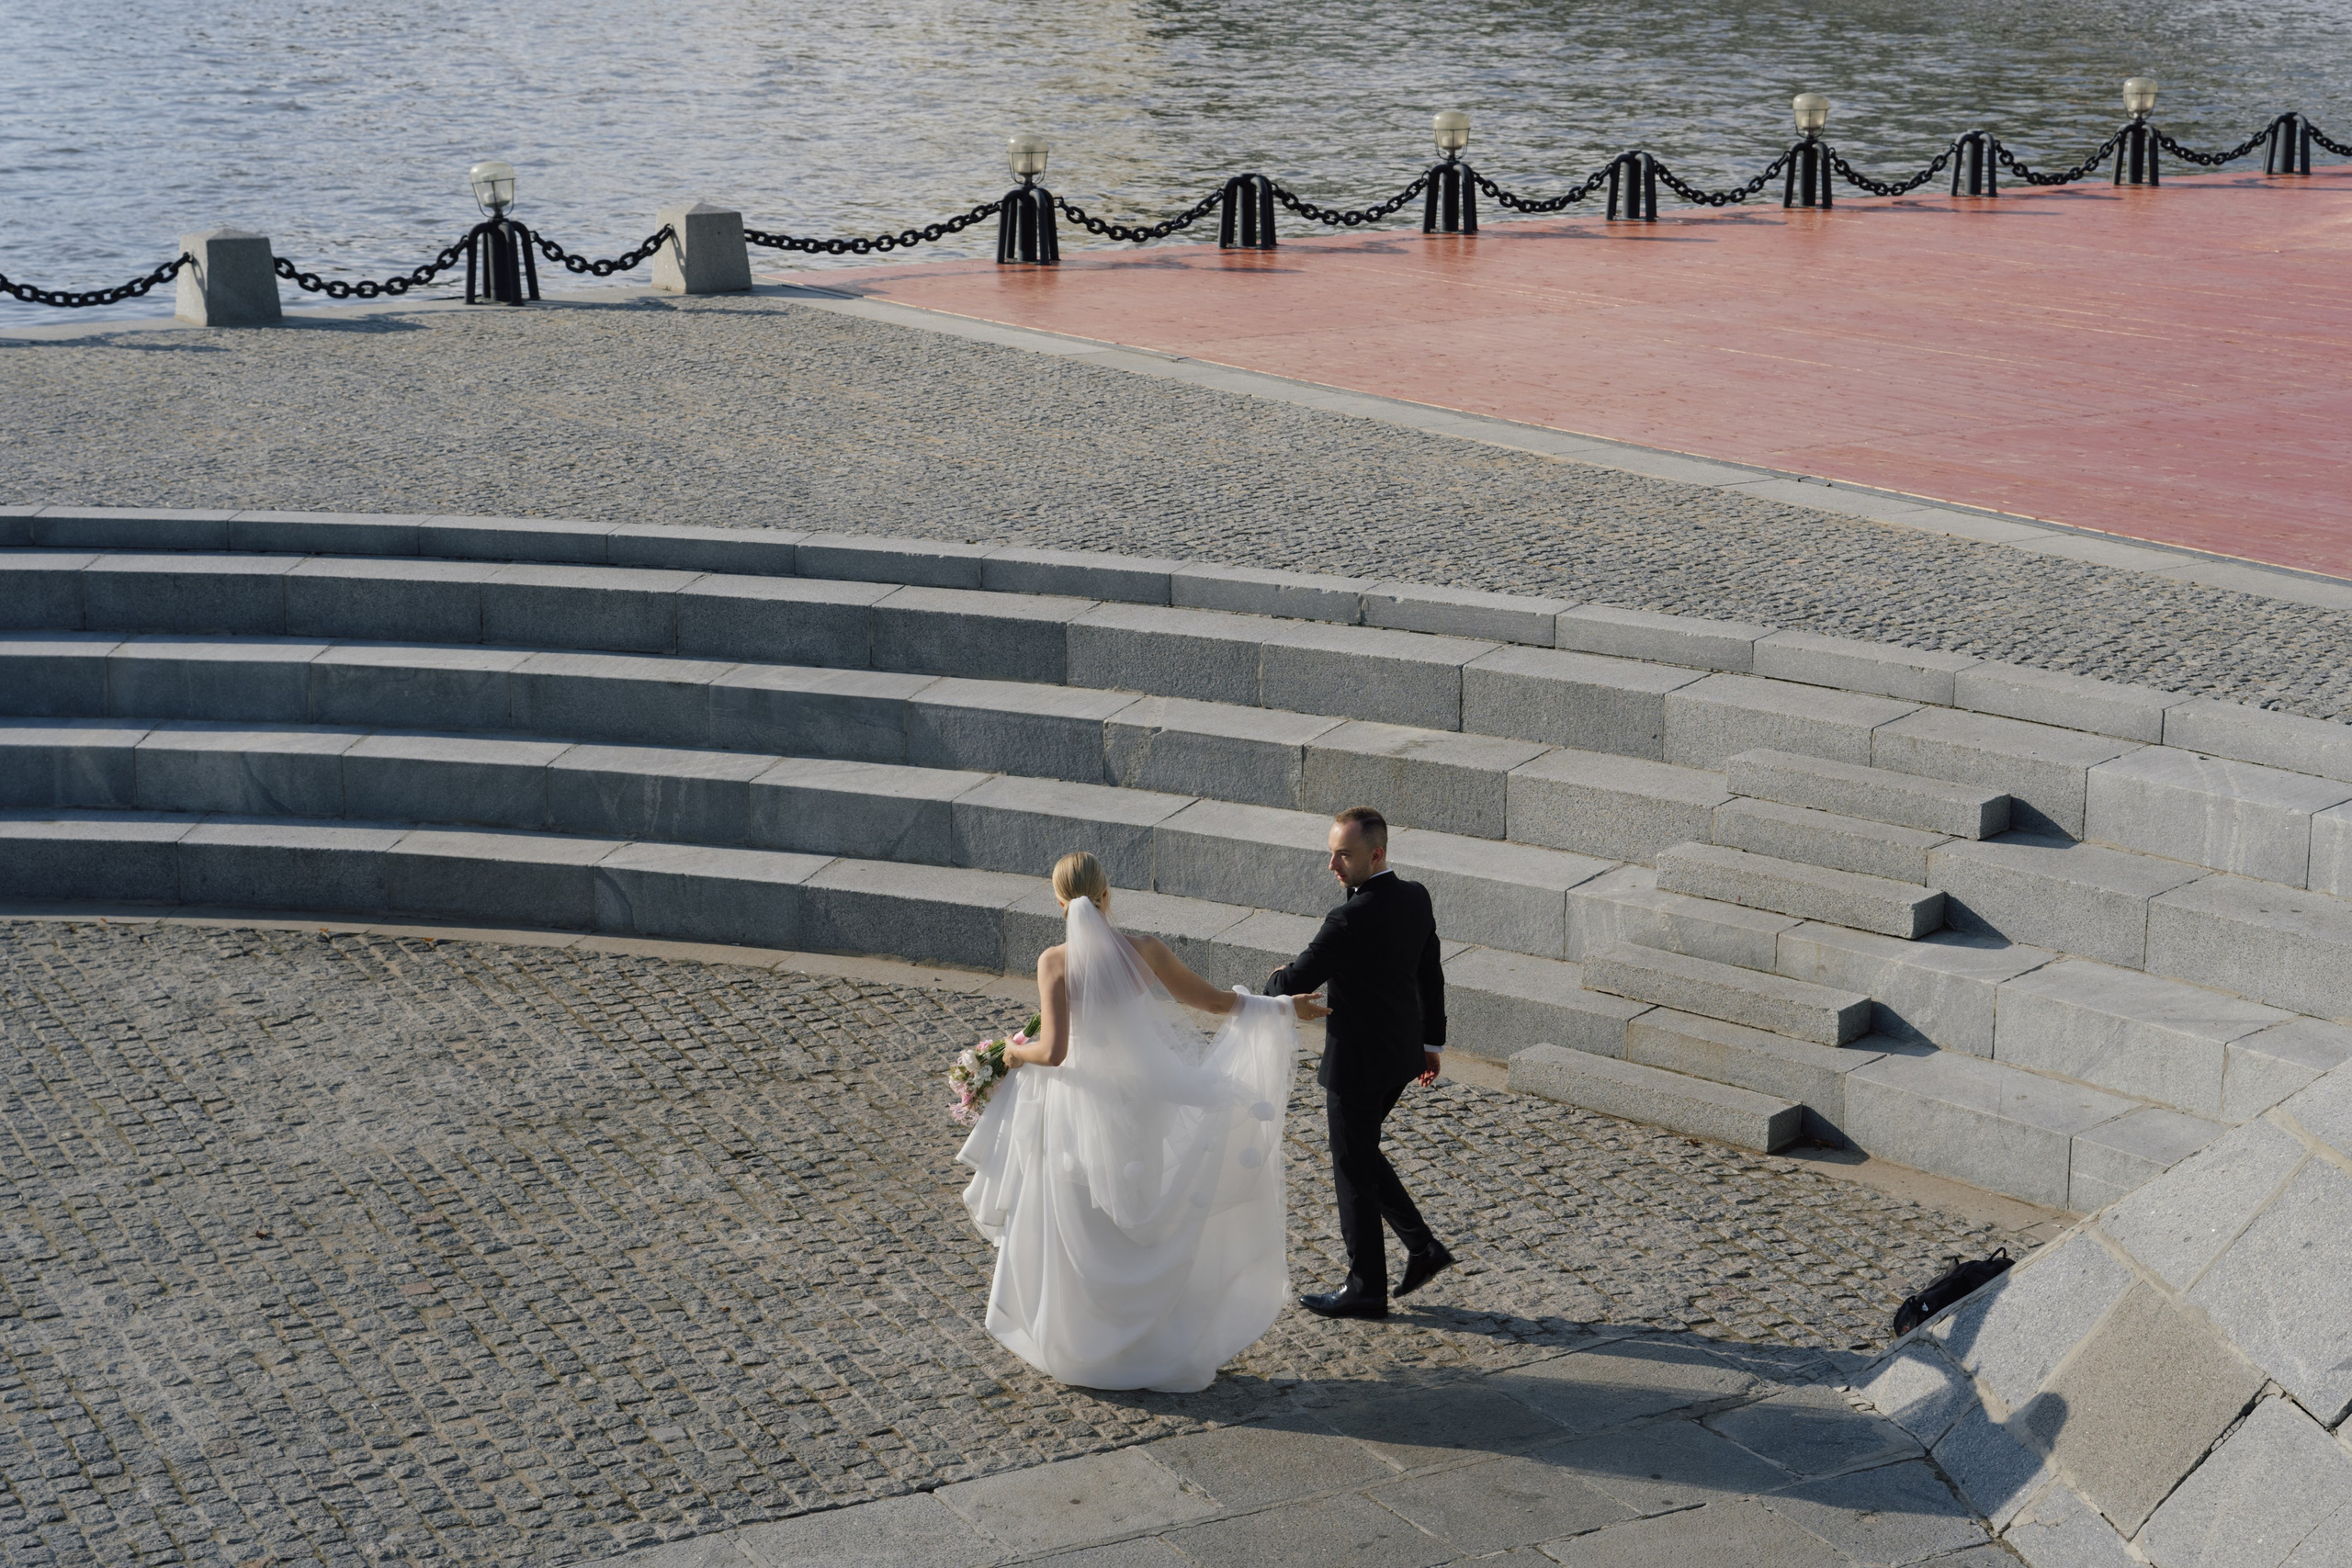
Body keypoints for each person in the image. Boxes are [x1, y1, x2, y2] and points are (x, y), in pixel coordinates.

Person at [956, 851, 1329, 1393]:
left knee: (1082, 1222)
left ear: (1058, 902)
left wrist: (1014, 1054)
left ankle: (1086, 1342)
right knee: (1139, 1218)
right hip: (1140, 1105)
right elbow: (1215, 1003)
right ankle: (1149, 1341)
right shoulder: (1146, 951)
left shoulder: (1054, 962)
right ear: (1107, 895)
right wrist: (1283, 1008)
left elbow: (1054, 1052)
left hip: (1077, 1107)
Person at [1265, 807, 1453, 1320]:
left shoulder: (1348, 919)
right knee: (1361, 1152)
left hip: (1357, 1066)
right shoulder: (1415, 897)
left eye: (1343, 855)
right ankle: (1422, 1248)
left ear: (1376, 854)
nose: (1332, 865)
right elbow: (1430, 973)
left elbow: (1298, 979)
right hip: (1400, 1056)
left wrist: (1276, 977)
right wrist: (1431, 1043)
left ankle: (1366, 1287)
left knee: (1352, 1166)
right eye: (1331, 853)